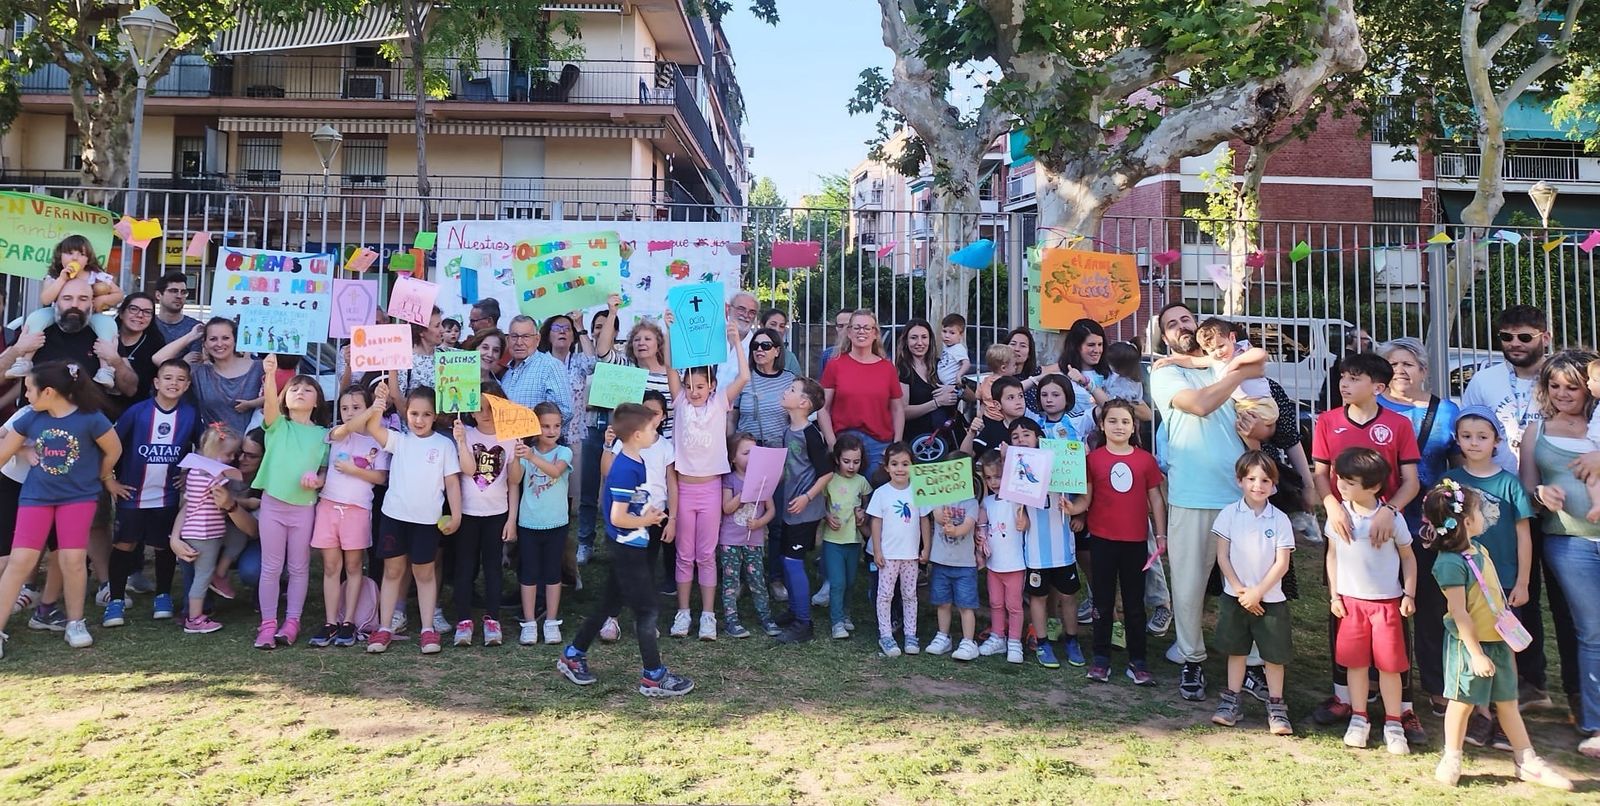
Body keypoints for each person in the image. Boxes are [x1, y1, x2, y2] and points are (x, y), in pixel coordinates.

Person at [1424, 480, 1574, 790]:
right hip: (1470, 647)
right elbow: (1460, 612)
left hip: (1498, 641)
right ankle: (1451, 756)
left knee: (1507, 701)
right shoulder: (1450, 563)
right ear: (1466, 522)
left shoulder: (1479, 548)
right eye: (1480, 510)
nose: (1486, 515)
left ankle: (1526, 760)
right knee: (1461, 702)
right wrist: (1475, 653)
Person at [1463, 304, 1574, 716]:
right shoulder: (1486, 379)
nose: (1514, 345)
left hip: (1561, 501)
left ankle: (1579, 693)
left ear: (1544, 335)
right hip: (1503, 503)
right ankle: (1529, 681)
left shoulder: (1560, 379)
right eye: (1506, 337)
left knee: (1565, 600)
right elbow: (1469, 424)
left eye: (1524, 337)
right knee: (1514, 591)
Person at [1310, 352, 1425, 744]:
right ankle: (1346, 698)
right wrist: (1331, 506)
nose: (1344, 384)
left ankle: (1403, 710)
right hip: (1345, 531)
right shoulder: (1327, 421)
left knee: (1392, 618)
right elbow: (1320, 474)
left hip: (1384, 533)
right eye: (1342, 377)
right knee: (1342, 610)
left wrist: (1390, 511)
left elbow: (1411, 480)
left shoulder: (1397, 424)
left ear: (1377, 387)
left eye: (1353, 378)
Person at [1148, 302, 1255, 701]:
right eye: (1171, 325)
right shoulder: (1164, 372)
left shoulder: (1225, 358)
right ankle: (1191, 659)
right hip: (1191, 492)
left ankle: (1253, 664)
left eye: (1186, 320)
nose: (1181, 327)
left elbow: (1260, 366)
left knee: (1244, 584)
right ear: (1165, 337)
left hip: (1240, 493)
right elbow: (1198, 404)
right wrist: (1229, 371)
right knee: (1189, 584)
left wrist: (1224, 366)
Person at [558, 402, 694, 697]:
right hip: (627, 549)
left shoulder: (637, 460)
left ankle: (573, 653)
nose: (653, 430)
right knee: (647, 612)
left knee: (607, 606)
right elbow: (618, 516)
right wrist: (649, 518)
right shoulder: (625, 468)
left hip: (631, 543)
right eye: (648, 427)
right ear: (635, 435)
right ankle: (653, 677)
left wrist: (646, 512)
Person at [0, 361, 122, 656]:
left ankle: (75, 623)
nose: (26, 395)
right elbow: (3, 452)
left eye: (29, 389)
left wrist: (104, 476)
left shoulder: (91, 418)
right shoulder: (30, 417)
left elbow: (114, 450)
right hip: (36, 499)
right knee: (20, 562)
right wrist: (23, 448)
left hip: (78, 499)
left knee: (74, 561)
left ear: (49, 391)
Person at [1519, 348, 1600, 756]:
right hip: (1569, 543)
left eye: (1573, 386)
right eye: (1555, 386)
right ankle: (1594, 722)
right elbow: (1525, 489)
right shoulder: (1538, 430)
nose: (1564, 394)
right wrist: (1539, 494)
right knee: (1591, 631)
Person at [1379, 337, 1463, 714]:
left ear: (1424, 371)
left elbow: (1458, 464)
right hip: (1381, 517)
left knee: (1430, 604)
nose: (1401, 370)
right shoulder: (1370, 405)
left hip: (1427, 523)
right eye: (1393, 364)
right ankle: (1390, 679)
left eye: (1409, 364)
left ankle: (1435, 681)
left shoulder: (1447, 411)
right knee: (1384, 603)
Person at [1442, 407, 1533, 745]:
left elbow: (1524, 534)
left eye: (1482, 436)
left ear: (1496, 440)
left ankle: (1505, 712)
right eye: (1466, 436)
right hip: (1466, 582)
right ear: (1457, 439)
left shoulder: (1509, 483)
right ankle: (1480, 715)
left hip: (1503, 582)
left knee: (1505, 645)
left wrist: (1523, 581)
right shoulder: (1450, 481)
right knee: (1473, 644)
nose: (1474, 442)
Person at [1325, 447, 1418, 755]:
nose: (1341, 486)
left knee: (1390, 667)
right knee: (1356, 664)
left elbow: (1408, 556)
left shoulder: (1392, 519)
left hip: (1387, 604)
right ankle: (1359, 716)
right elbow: (1332, 555)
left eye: (1350, 482)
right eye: (1340, 479)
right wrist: (1334, 594)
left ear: (1374, 486)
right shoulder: (1339, 515)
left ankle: (1393, 723)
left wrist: (1409, 593)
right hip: (1351, 605)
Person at [663, 313, 748, 641]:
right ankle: (684, 613)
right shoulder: (680, 400)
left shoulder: (720, 403)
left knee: (705, 553)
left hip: (712, 489)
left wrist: (736, 342)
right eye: (689, 385)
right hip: (684, 489)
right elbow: (671, 367)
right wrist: (670, 330)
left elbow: (744, 376)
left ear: (712, 385)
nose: (694, 391)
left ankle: (708, 615)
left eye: (700, 386)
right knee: (685, 554)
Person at [362, 381, 462, 654]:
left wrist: (456, 514)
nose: (419, 420)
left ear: (435, 416)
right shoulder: (399, 439)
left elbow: (452, 482)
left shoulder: (444, 445)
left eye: (426, 414)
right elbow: (372, 428)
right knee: (393, 571)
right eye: (414, 414)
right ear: (406, 414)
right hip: (395, 517)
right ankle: (384, 627)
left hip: (427, 521)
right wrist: (377, 404)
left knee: (424, 572)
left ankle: (428, 629)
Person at [1070, 399, 1165, 686]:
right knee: (1102, 601)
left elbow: (1156, 499)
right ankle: (1101, 658)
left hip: (1135, 541)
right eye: (1112, 421)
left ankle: (1138, 661)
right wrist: (1070, 508)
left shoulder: (1145, 460)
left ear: (1134, 426)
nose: (1119, 426)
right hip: (1102, 541)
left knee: (1135, 604)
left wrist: (1160, 534)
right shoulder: (1093, 459)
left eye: (1125, 421)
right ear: (1102, 424)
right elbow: (1085, 499)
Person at [104, 359, 200, 626]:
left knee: (163, 545)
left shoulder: (191, 414)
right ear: (156, 383)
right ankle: (115, 600)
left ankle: (163, 595)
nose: (174, 383)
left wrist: (188, 473)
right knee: (125, 544)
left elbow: (203, 449)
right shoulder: (137, 412)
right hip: (132, 494)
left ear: (187, 385)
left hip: (166, 496)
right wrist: (108, 480)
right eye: (168, 378)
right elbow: (111, 444)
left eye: (180, 379)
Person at [1209, 451, 1295, 734]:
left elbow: (1282, 563)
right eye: (1251, 479)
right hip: (1236, 598)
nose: (1258, 485)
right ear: (1240, 481)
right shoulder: (1228, 515)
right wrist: (1239, 589)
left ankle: (1276, 706)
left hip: (1270, 600)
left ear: (1274, 485)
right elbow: (1223, 556)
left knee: (1274, 655)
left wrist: (1258, 592)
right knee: (1236, 651)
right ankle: (1232, 701)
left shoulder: (1280, 519)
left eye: (1265, 480)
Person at [251, 354, 330, 649]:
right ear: (285, 398)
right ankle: (268, 624)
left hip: (304, 509)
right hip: (273, 505)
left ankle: (292, 622)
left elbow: (324, 471)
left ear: (317, 401)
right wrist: (270, 375)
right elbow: (270, 406)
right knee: (271, 567)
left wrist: (318, 480)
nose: (300, 392)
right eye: (295, 388)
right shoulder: (277, 426)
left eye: (308, 389)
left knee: (299, 567)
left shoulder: (324, 436)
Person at [308, 385, 389, 649]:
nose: (349, 412)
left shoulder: (378, 439)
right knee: (331, 567)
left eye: (356, 407)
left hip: (357, 509)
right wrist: (367, 412)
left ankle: (350, 621)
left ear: (367, 407)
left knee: (354, 567)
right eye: (344, 408)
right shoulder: (337, 434)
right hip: (328, 506)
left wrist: (355, 471)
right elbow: (344, 429)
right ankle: (331, 621)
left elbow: (380, 477)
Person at [449, 380, 521, 648]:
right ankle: (464, 620)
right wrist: (460, 442)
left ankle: (493, 619)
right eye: (479, 408)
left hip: (497, 514)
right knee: (465, 567)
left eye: (491, 407)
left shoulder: (510, 437)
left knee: (493, 568)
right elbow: (468, 470)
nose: (486, 413)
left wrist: (511, 520)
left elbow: (515, 481)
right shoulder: (465, 432)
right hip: (468, 513)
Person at [1011, 418, 1084, 669]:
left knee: (1069, 596)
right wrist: (1021, 520)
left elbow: (1080, 494)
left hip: (1063, 548)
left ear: (1039, 438)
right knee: (1038, 598)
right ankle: (1042, 643)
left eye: (1026, 434)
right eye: (1016, 437)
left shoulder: (1059, 462)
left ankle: (1072, 640)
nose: (1021, 440)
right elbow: (1021, 519)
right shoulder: (1016, 472)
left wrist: (1078, 512)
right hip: (1036, 552)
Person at [6, 236, 123, 386]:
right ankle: (24, 361)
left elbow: (119, 294)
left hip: (89, 315)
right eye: (69, 253)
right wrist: (62, 279)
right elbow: (46, 300)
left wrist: (103, 300)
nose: (75, 257)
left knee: (108, 325)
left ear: (88, 259)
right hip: (58, 313)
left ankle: (106, 370)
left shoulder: (96, 275)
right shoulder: (54, 277)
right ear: (60, 256)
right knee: (36, 318)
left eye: (81, 254)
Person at [166, 424, 243, 634]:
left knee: (236, 537)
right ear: (214, 452)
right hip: (204, 534)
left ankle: (218, 576)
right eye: (228, 454)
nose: (231, 458)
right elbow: (222, 502)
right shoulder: (213, 477)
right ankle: (195, 618)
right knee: (202, 576)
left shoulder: (194, 472)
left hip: (200, 531)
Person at [773, 377, 833, 644]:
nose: (786, 392)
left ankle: (804, 623)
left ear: (804, 403)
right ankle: (795, 610)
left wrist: (807, 498)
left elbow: (827, 473)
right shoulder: (789, 429)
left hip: (805, 510)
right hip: (790, 506)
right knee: (786, 559)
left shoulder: (811, 434)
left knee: (794, 563)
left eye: (792, 390)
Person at [1155, 318, 1275, 437]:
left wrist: (1237, 362)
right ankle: (1254, 454)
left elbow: (1261, 353)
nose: (1218, 352)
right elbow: (1192, 361)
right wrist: (1171, 360)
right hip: (1244, 405)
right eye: (1212, 350)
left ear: (1232, 338)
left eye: (1221, 346)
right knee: (1244, 430)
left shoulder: (1239, 351)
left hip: (1259, 402)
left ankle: (1255, 453)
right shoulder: (1216, 360)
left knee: (1244, 428)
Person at [819, 309, 903, 476]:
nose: (861, 332)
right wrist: (831, 442)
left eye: (867, 328)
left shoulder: (887, 368)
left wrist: (896, 445)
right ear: (849, 332)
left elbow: (897, 409)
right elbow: (823, 407)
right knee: (844, 499)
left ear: (875, 333)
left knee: (875, 495)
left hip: (879, 443)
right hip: (844, 442)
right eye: (857, 328)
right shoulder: (835, 365)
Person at [516, 402, 573, 646]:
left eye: (556, 426)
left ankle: (551, 621)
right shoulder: (525, 452)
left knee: (552, 573)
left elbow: (555, 471)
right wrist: (515, 454)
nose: (551, 431)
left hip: (556, 523)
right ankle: (529, 623)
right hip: (529, 522)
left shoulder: (564, 452)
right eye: (545, 426)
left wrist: (531, 457)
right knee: (528, 573)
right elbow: (514, 479)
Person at [868, 442, 928, 658]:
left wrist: (926, 548)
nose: (900, 469)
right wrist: (877, 550)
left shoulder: (918, 491)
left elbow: (924, 521)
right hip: (888, 556)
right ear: (887, 467)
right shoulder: (882, 493)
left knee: (910, 595)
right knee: (885, 595)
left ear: (912, 465)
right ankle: (885, 634)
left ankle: (911, 634)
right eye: (894, 464)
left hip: (911, 555)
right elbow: (875, 523)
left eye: (905, 463)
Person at [717, 432, 776, 639]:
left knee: (757, 580)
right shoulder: (729, 479)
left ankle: (766, 617)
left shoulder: (763, 480)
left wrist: (760, 522)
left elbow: (771, 510)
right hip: (730, 540)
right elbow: (726, 508)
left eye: (755, 453)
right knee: (731, 580)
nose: (751, 458)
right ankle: (731, 620)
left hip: (755, 540)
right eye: (745, 453)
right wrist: (743, 495)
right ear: (733, 458)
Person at [975, 449, 1027, 663]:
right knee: (995, 602)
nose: (993, 482)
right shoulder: (987, 502)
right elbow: (982, 528)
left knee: (1014, 605)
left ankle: (1015, 641)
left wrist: (1024, 521)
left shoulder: (1018, 500)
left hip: (1015, 564)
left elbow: (1026, 523)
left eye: (998, 476)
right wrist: (980, 546)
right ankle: (998, 636)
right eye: (988, 477)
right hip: (994, 565)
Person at [926, 474, 981, 662]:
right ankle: (943, 636)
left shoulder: (972, 503)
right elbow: (936, 514)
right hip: (941, 562)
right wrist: (942, 517)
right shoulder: (938, 498)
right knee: (943, 603)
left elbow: (967, 525)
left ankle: (968, 642)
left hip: (964, 564)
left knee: (966, 605)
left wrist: (955, 530)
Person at [176, 318, 264, 435]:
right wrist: (191, 336)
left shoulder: (260, 367)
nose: (219, 344)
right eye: (213, 339)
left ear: (235, 340)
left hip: (254, 450)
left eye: (225, 338)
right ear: (205, 344)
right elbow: (158, 360)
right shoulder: (198, 373)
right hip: (214, 449)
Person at [821, 434, 870, 640]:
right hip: (833, 540)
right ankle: (837, 621)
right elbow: (821, 504)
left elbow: (868, 504)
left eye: (856, 462)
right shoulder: (829, 479)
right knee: (838, 582)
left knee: (850, 582)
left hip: (853, 540)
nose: (851, 466)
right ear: (837, 459)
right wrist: (827, 515)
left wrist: (863, 513)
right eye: (846, 461)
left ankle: (846, 613)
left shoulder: (862, 481)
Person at [107, 293, 179, 419]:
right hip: (99, 410)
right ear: (122, 312)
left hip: (135, 413)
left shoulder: (155, 344)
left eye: (147, 312)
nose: (140, 315)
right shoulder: (104, 335)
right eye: (134, 309)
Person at [897, 319, 960, 457]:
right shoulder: (902, 371)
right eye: (914, 338)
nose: (920, 343)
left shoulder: (941, 365)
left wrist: (954, 387)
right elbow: (902, 411)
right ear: (906, 341)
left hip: (947, 439)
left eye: (924, 337)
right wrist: (937, 403)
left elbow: (971, 396)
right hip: (918, 443)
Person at [500, 315, 574, 421]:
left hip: (536, 437)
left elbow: (565, 411)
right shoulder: (507, 374)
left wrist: (534, 432)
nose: (519, 342)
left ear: (537, 339)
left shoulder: (550, 366)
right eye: (514, 337)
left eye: (526, 337)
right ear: (508, 339)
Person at [734, 326, 796, 448]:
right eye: (755, 346)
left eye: (766, 345)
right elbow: (732, 417)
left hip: (779, 448)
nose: (759, 349)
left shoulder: (789, 380)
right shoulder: (743, 378)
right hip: (747, 449)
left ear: (777, 351)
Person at [1321, 327, 1374, 411]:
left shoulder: (1348, 356)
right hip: (1339, 405)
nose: (1366, 342)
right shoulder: (1349, 359)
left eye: (1367, 339)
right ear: (1350, 339)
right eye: (1363, 339)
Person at [152, 272, 203, 354]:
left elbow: (194, 362)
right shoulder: (148, 324)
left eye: (183, 292)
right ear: (158, 295)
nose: (179, 296)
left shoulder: (195, 328)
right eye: (173, 291)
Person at [937, 313, 971, 387]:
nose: (946, 336)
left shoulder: (958, 348)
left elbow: (966, 363)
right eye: (944, 331)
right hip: (944, 384)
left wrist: (959, 375)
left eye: (952, 333)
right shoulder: (948, 347)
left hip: (953, 385)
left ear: (961, 335)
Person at [817, 309, 851, 378]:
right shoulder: (828, 355)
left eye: (849, 326)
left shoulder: (870, 354)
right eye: (841, 326)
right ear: (836, 328)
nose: (845, 330)